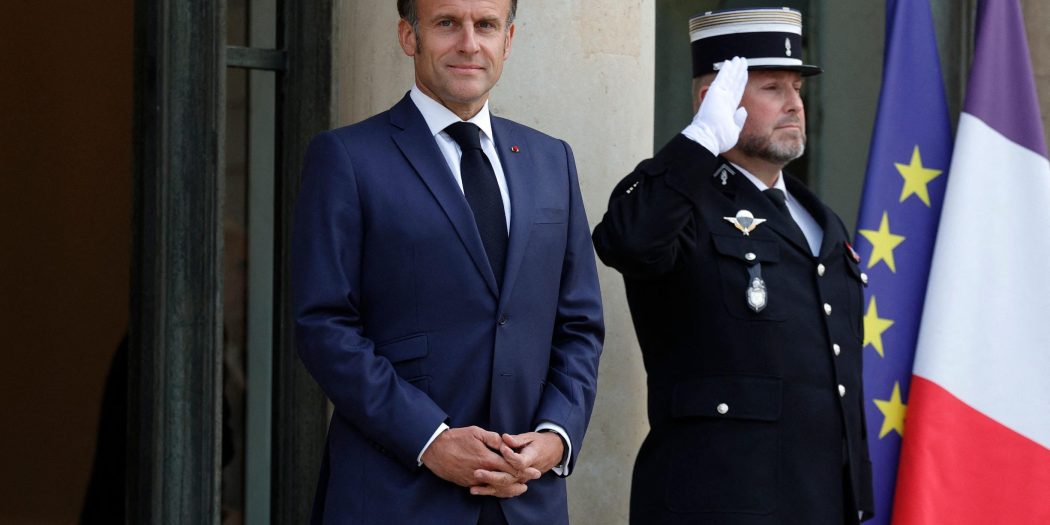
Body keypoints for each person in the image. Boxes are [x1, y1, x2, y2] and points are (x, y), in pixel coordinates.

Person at [291, 0, 604, 523]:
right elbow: (324, 325)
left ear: (508, 40)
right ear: (408, 36)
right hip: (397, 494)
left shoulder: (552, 159)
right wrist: (429, 439)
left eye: (486, 25)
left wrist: (556, 434)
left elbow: (579, 324)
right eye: (446, 24)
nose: (469, 43)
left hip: (526, 498)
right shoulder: (347, 157)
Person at [591, 7, 873, 524]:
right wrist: (699, 143)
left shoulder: (817, 218)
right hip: (717, 505)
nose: (794, 103)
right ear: (712, 99)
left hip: (819, 505)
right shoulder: (682, 204)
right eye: (771, 87)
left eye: (797, 88)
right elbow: (628, 242)